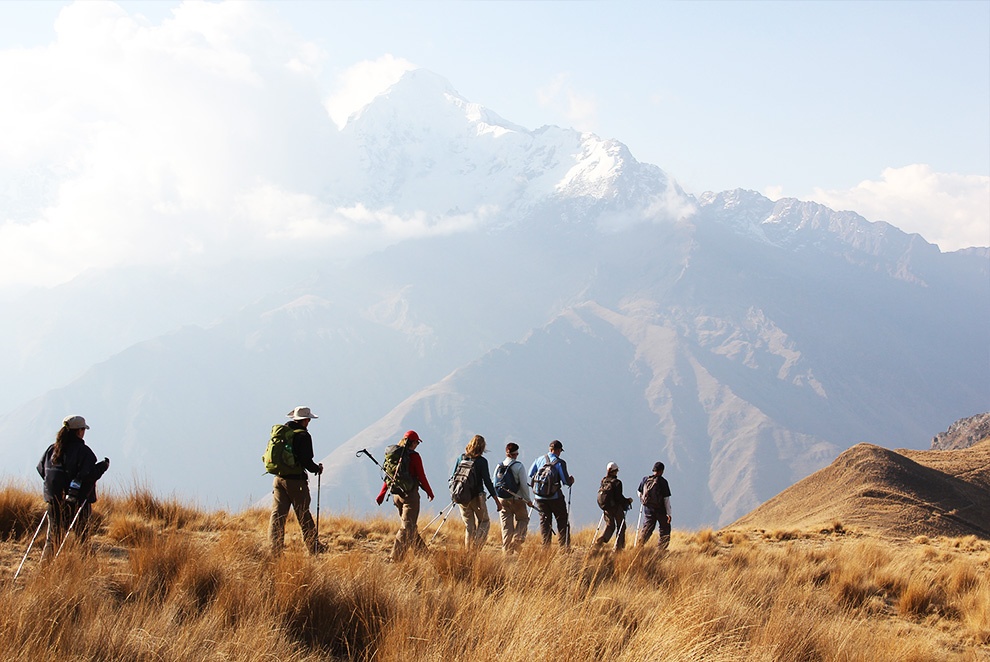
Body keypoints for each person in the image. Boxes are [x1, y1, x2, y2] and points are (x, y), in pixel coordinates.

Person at [36, 415, 110, 552]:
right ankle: (83, 569)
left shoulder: (51, 450)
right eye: (83, 430)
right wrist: (103, 467)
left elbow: (41, 470)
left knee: (53, 538)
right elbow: (89, 474)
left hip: (54, 501)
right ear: (79, 431)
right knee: (82, 538)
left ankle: (46, 568)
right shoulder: (83, 451)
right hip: (78, 503)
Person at [268, 406, 324, 556]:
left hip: (279, 479)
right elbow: (306, 460)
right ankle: (314, 547)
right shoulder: (303, 436)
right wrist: (316, 469)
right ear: (305, 420)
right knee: (303, 514)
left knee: (278, 515)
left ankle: (275, 549)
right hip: (295, 482)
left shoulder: (283, 433)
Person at [377, 430, 434, 561]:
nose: (417, 445)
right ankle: (394, 558)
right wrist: (429, 492)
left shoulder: (393, 456)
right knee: (406, 528)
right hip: (410, 496)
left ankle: (425, 557)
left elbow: (389, 476)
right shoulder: (414, 457)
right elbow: (421, 476)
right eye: (417, 443)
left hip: (396, 496)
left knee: (410, 527)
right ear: (413, 442)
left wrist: (382, 494)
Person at [450, 434, 502, 549]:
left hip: (461, 496)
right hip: (476, 496)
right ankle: (476, 550)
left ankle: (468, 552)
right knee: (484, 522)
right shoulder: (482, 461)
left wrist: (454, 493)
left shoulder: (461, 458)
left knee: (469, 526)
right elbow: (487, 481)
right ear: (482, 447)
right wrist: (497, 500)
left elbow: (453, 477)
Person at [528, 439, 574, 548]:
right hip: (555, 497)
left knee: (544, 521)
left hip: (539, 497)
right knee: (562, 519)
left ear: (550, 449)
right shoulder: (560, 463)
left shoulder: (539, 459)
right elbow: (566, 481)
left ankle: (546, 547)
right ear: (558, 450)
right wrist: (571, 480)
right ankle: (564, 547)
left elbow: (530, 474)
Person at [494, 442, 533, 554]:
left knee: (506, 525)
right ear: (515, 453)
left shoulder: (499, 466)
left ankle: (506, 550)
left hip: (502, 499)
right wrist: (528, 500)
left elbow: (494, 482)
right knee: (523, 519)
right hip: (517, 499)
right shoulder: (519, 466)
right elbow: (523, 485)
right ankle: (516, 542)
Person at [594, 462, 633, 551]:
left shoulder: (603, 480)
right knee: (621, 526)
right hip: (616, 508)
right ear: (615, 471)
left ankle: (602, 539)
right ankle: (618, 547)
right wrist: (627, 501)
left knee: (610, 525)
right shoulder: (617, 483)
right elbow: (619, 497)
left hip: (606, 507)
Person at [636, 461, 672, 550]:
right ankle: (661, 549)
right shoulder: (663, 482)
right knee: (665, 529)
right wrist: (669, 514)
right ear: (662, 471)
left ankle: (639, 546)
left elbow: (639, 491)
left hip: (648, 509)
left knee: (647, 528)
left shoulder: (645, 479)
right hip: (660, 510)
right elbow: (666, 499)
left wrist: (643, 499)